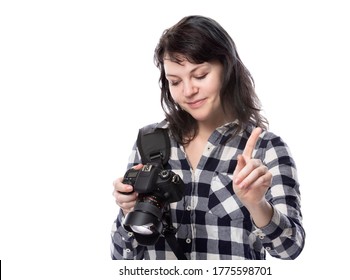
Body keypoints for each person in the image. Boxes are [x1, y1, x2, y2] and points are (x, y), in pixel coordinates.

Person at [111, 15, 305, 260]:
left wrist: (257, 204)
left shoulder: (267, 148)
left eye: (200, 75)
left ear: (228, 68)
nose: (189, 91)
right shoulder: (151, 142)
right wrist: (126, 209)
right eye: (175, 81)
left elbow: (290, 248)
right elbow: (120, 258)